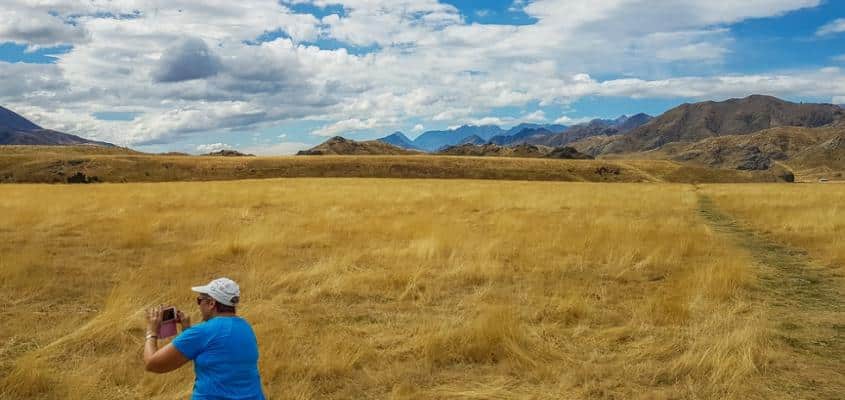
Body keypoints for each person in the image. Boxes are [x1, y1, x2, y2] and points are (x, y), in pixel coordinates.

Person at [143, 277, 266, 400]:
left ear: (211, 303)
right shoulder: (245, 327)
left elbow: (152, 364)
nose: (199, 305)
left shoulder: (202, 332)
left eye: (199, 300)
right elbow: (215, 355)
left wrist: (151, 330)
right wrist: (187, 330)